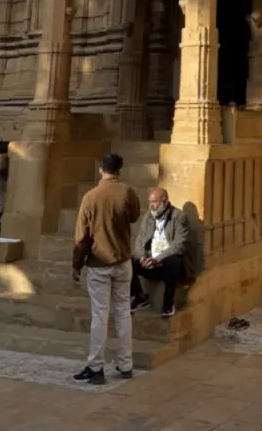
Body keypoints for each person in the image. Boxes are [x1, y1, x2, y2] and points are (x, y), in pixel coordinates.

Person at [71, 152, 141, 385]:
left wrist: (76, 265)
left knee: (100, 315)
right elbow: (134, 217)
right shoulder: (128, 192)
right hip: (122, 260)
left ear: (101, 169)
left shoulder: (91, 197)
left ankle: (96, 366)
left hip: (100, 262)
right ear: (119, 171)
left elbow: (82, 237)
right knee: (122, 312)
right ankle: (125, 363)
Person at [131, 187, 192, 317]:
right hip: (150, 262)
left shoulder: (179, 217)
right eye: (149, 202)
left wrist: (158, 259)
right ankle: (140, 296)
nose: (151, 206)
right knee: (128, 261)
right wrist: (142, 257)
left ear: (164, 201)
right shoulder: (148, 217)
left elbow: (179, 245)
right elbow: (140, 241)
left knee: (173, 261)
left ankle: (168, 303)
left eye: (154, 202)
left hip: (166, 262)